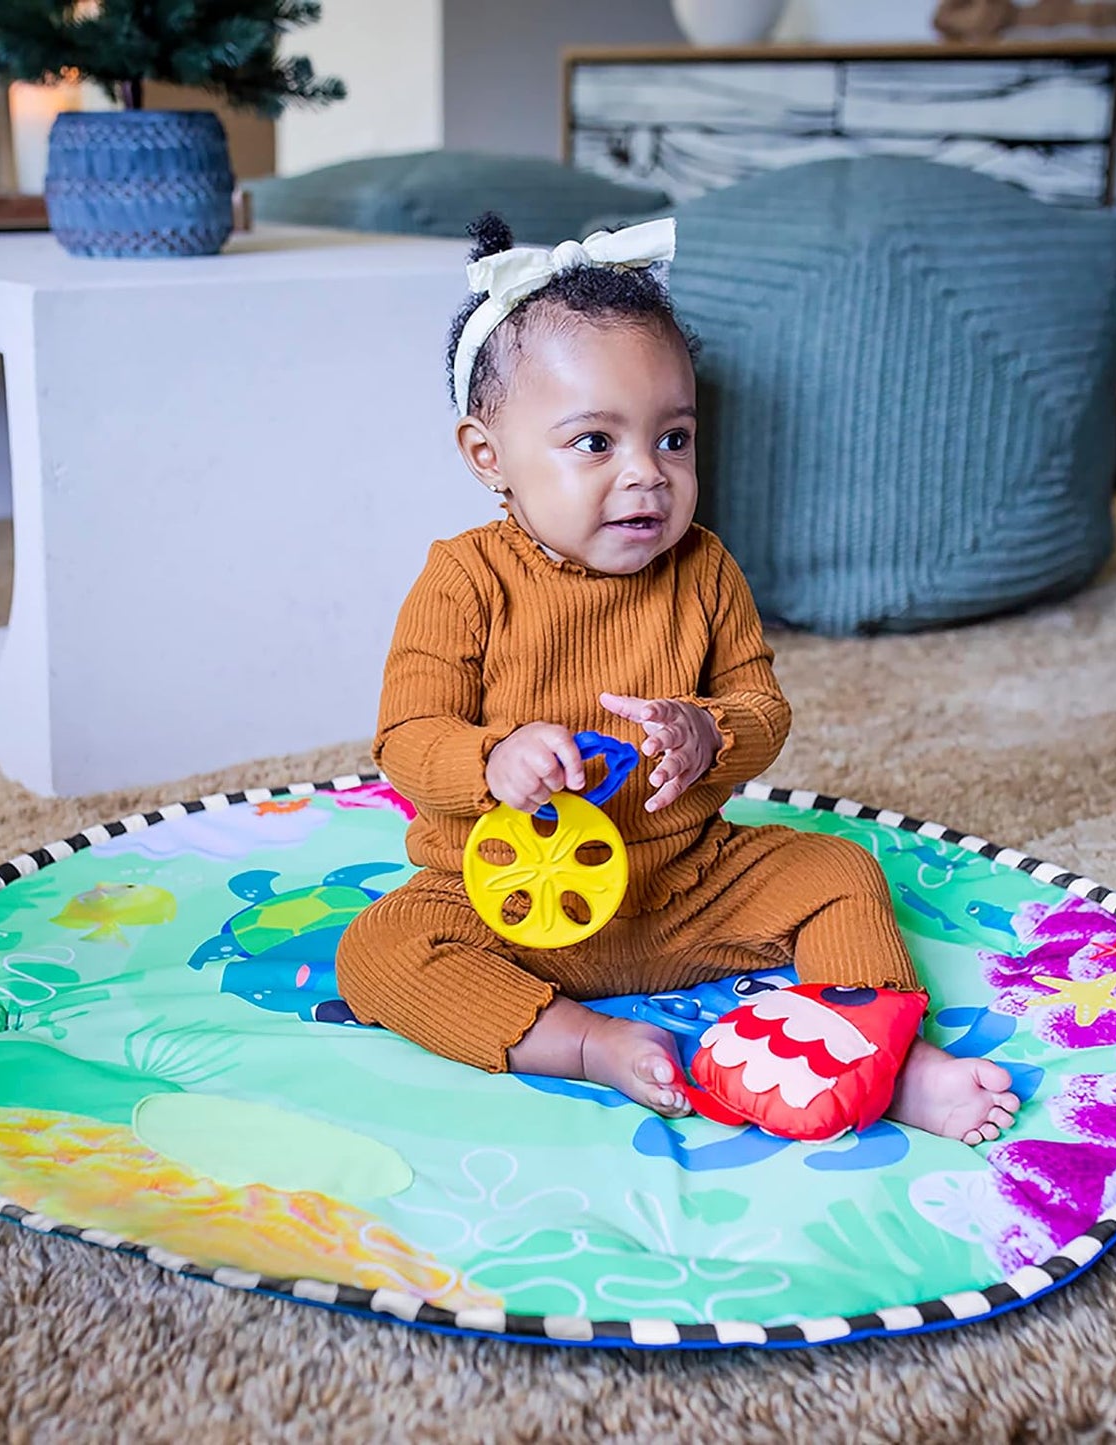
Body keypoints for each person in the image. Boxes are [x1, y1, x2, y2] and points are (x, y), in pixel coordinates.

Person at [336, 213, 1020, 1146]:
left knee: (837, 867)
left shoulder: (704, 570)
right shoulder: (462, 580)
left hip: (682, 888)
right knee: (378, 949)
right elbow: (406, 737)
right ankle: (581, 1041)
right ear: (487, 456)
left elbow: (760, 706)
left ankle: (877, 1056)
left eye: (672, 439)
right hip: (503, 901)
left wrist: (709, 734)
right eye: (593, 443)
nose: (646, 477)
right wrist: (492, 760)